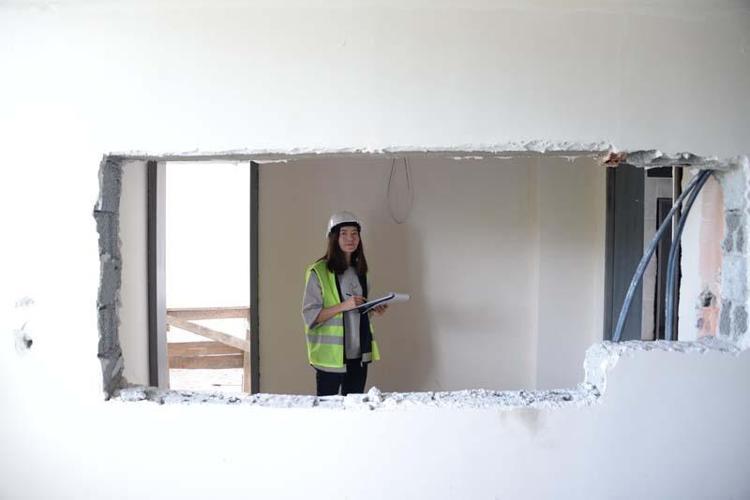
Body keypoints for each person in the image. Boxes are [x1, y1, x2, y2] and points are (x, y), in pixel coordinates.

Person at [302, 211, 388, 396]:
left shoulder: (362, 272)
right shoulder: (318, 271)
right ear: (334, 237)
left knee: (354, 409)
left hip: (358, 355)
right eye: (344, 233)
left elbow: (356, 312)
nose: (350, 238)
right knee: (328, 410)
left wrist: (372, 310)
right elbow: (310, 316)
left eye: (355, 233)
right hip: (330, 359)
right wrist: (343, 306)